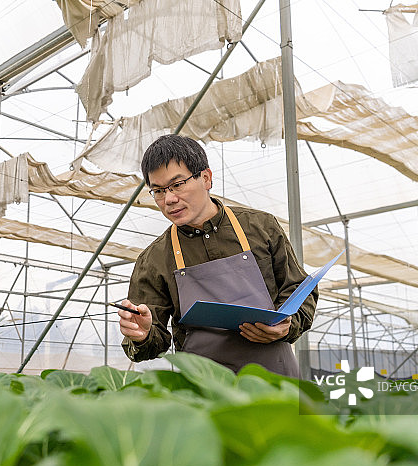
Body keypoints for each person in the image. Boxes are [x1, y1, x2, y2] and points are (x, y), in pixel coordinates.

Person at [117, 134, 317, 377]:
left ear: (206, 178)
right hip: (204, 390)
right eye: (158, 191)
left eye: (177, 185)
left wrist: (287, 326)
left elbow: (299, 289)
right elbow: (151, 341)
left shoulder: (260, 227)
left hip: (274, 381)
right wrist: (143, 334)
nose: (169, 199)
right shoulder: (154, 259)